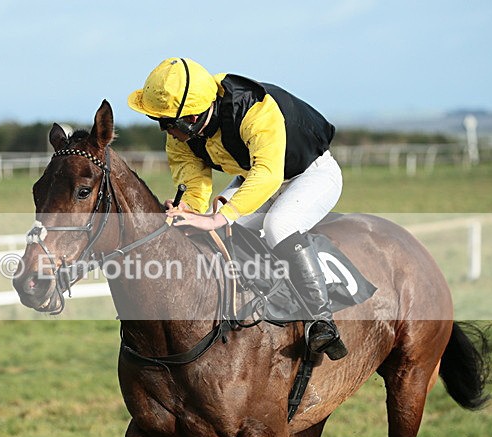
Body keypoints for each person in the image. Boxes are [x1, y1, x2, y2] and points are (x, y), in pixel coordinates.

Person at [128, 57, 347, 360]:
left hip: (310, 174)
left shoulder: (253, 110)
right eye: (159, 121)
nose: (165, 130)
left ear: (192, 117)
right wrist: (191, 210)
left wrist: (219, 217)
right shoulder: (184, 131)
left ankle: (322, 321)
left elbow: (268, 174)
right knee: (216, 234)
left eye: (168, 123)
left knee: (278, 226)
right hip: (252, 177)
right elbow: (194, 180)